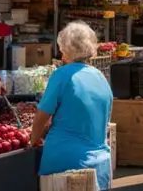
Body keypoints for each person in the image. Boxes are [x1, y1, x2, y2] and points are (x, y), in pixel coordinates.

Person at [32, 22, 114, 189]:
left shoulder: (61, 75)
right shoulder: (100, 77)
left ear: (68, 51)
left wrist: (33, 138)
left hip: (65, 163)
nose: (62, 57)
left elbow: (42, 115)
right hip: (100, 163)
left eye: (62, 51)